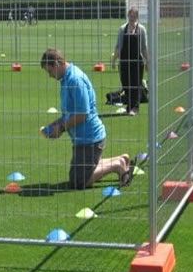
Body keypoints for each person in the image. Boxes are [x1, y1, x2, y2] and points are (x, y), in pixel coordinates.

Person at [41, 48, 131, 189]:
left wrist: (62, 128)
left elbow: (83, 114)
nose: (50, 76)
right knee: (78, 176)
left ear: (57, 64)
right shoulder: (66, 79)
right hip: (82, 139)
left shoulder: (75, 80)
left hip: (91, 139)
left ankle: (117, 165)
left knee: (78, 181)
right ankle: (120, 159)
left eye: (50, 71)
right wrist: (55, 125)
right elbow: (70, 113)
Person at [111, 7, 148, 115]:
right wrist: (113, 60)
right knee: (126, 84)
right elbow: (118, 47)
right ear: (128, 16)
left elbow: (144, 48)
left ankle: (135, 108)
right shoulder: (122, 29)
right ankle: (129, 106)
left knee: (136, 84)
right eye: (130, 16)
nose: (132, 19)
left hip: (137, 62)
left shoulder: (141, 29)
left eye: (134, 16)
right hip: (124, 62)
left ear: (137, 17)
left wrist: (147, 62)